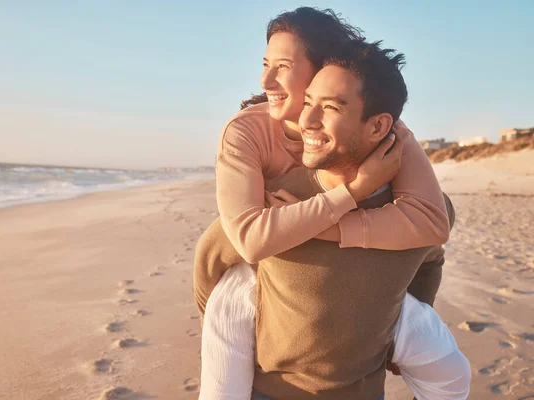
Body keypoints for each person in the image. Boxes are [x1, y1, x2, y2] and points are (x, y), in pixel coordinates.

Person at [199, 40, 471, 400]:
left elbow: (429, 260)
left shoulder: (419, 211)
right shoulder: (274, 206)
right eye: (308, 101)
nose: (306, 121)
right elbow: (211, 265)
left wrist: (394, 329)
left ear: (379, 127)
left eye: (329, 107)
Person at [194, 7, 451, 321]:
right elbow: (244, 241)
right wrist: (355, 190)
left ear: (324, 70)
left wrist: (331, 224)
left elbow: (435, 221)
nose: (265, 80)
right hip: (256, 273)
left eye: (283, 66)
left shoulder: (377, 127)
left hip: (374, 281)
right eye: (265, 64)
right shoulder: (247, 131)